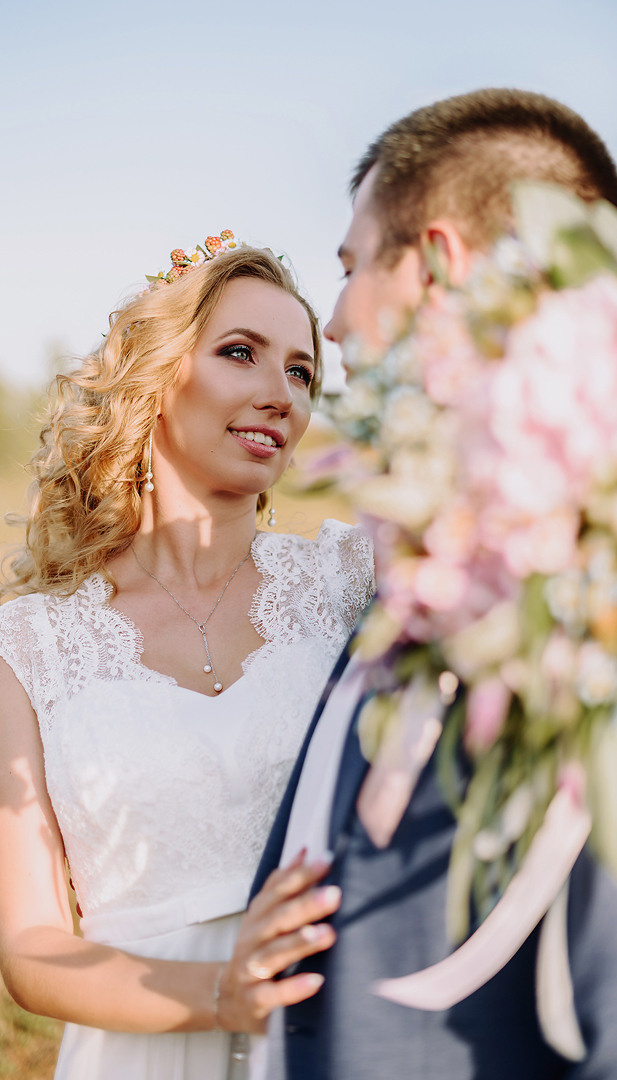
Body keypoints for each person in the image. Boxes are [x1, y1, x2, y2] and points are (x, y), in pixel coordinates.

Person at [251, 89, 617, 1079]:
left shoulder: (585, 575)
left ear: (438, 263)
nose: (333, 321)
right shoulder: (433, 542)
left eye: (351, 267)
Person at [0, 239, 376, 1079]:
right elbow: (33, 949)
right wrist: (223, 993)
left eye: (301, 372)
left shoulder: (349, 582)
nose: (281, 395)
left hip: (331, 1035)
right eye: (240, 353)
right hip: (137, 1052)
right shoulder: (29, 647)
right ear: (155, 378)